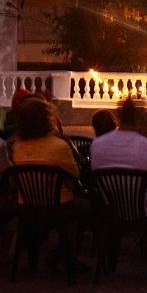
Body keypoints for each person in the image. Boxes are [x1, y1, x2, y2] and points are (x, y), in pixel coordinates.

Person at [10, 97, 91, 271]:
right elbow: (74, 177)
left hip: (26, 208)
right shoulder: (59, 146)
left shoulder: (17, 147)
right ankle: (65, 253)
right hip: (59, 209)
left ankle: (33, 259)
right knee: (87, 208)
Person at [90, 98, 147, 268]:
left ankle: (109, 261)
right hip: (145, 210)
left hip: (110, 208)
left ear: (118, 118)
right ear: (141, 118)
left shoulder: (97, 145)